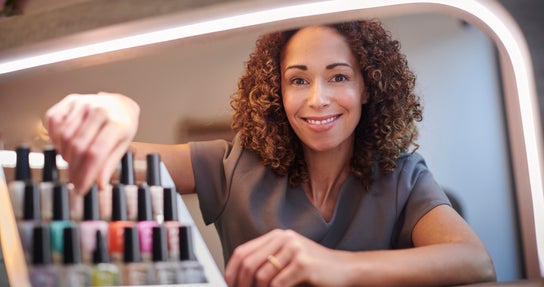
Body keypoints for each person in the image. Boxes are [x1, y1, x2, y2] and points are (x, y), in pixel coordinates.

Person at [45, 20, 496, 286]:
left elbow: (475, 261)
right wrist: (122, 110)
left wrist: (334, 267)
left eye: (338, 77)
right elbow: (108, 159)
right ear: (276, 92)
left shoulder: (402, 177)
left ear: (367, 87)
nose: (317, 98)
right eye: (298, 80)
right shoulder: (233, 167)